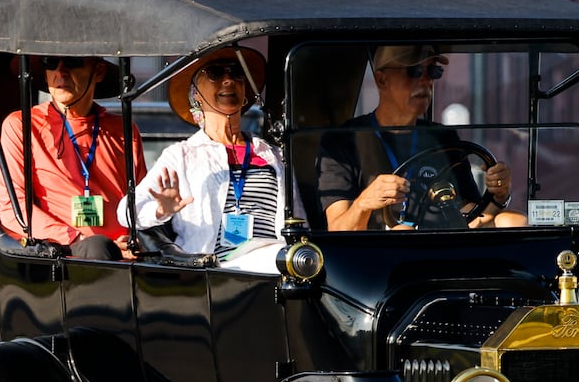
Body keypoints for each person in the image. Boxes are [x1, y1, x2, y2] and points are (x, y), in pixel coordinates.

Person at [315, 45, 512, 231]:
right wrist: (364, 203)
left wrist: (498, 195)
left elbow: (469, 216)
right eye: (415, 71)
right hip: (379, 259)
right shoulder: (341, 140)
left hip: (447, 252)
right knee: (401, 232)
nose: (426, 81)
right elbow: (337, 228)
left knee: (513, 221)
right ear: (382, 80)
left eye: (433, 72)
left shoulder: (444, 137)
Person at [124, 45, 283, 271]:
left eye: (236, 73)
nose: (228, 80)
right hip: (216, 270)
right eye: (215, 73)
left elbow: (298, 223)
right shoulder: (181, 155)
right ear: (196, 95)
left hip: (275, 263)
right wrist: (162, 210)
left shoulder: (273, 155)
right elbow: (127, 211)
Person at [0, 54, 146, 260]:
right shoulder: (21, 125)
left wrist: (134, 238)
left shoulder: (124, 129)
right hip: (62, 256)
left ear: (98, 72)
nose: (60, 72)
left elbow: (141, 202)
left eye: (73, 62)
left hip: (124, 256)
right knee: (98, 247)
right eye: (50, 62)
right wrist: (77, 238)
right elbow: (12, 210)